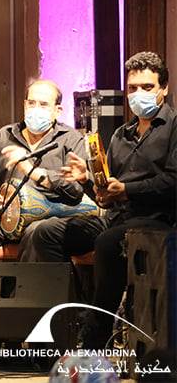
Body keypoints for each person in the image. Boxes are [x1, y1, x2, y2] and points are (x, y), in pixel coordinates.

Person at [59, 51, 176, 349]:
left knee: (108, 243)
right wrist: (88, 181)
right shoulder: (121, 136)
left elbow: (173, 181)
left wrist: (126, 190)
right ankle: (62, 327)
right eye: (133, 88)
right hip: (118, 217)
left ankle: (95, 336)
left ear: (164, 88)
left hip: (159, 219)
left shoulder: (174, 127)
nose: (139, 94)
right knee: (53, 233)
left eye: (147, 87)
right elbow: (106, 196)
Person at [0, 79, 91, 262]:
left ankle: (26, 282)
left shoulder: (71, 139)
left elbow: (76, 191)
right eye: (31, 103)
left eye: (43, 104)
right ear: (24, 105)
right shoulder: (5, 135)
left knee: (37, 232)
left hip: (48, 218)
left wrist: (35, 172)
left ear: (57, 110)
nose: (35, 109)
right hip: (7, 217)